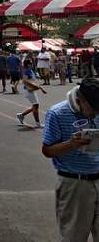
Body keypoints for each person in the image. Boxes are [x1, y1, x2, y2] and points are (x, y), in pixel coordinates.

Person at [41, 78, 99, 241]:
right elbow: (47, 150)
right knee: (74, 235)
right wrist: (71, 144)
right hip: (75, 183)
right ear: (80, 101)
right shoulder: (57, 113)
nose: (96, 113)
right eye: (93, 109)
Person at [16, 59, 47, 128]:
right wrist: (32, 87)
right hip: (28, 90)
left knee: (35, 106)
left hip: (31, 90)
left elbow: (33, 81)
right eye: (31, 63)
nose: (32, 64)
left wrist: (41, 88)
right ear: (28, 64)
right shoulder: (26, 71)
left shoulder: (30, 71)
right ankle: (38, 123)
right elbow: (24, 80)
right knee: (36, 105)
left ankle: (21, 115)